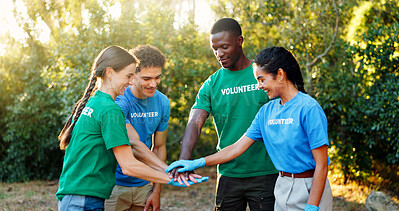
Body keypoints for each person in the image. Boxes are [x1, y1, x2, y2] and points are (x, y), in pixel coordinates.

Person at [166, 47, 333, 211]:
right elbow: (236, 148)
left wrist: (312, 206)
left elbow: (322, 164)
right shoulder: (266, 112)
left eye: (262, 79)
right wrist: (198, 162)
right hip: (282, 186)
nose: (259, 86)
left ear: (280, 75)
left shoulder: (309, 108)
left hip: (310, 186)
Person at [56, 45, 208, 211]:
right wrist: (171, 178)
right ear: (110, 73)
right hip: (83, 199)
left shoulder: (95, 102)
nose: (130, 81)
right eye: (128, 76)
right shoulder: (110, 109)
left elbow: (138, 148)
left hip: (78, 196)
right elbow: (128, 165)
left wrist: (167, 172)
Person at [171, 18, 278, 211]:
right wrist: (184, 160)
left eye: (224, 47)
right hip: (229, 173)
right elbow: (195, 122)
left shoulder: (263, 75)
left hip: (265, 172)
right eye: (214, 49)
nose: (219, 54)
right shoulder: (212, 84)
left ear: (239, 41)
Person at [105, 44, 170, 211]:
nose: (154, 84)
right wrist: (170, 174)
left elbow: (159, 147)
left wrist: (156, 190)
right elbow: (133, 145)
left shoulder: (162, 102)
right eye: (147, 79)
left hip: (144, 184)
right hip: (115, 184)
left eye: (157, 77)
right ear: (132, 76)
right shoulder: (120, 100)